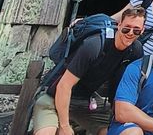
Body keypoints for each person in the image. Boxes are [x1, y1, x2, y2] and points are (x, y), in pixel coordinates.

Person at [32, 7, 146, 135]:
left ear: (142, 30)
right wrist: (64, 126)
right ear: (119, 25)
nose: (130, 33)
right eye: (126, 28)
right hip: (53, 98)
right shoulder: (94, 45)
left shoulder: (135, 51)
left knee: (118, 131)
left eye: (136, 30)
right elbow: (64, 86)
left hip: (85, 101)